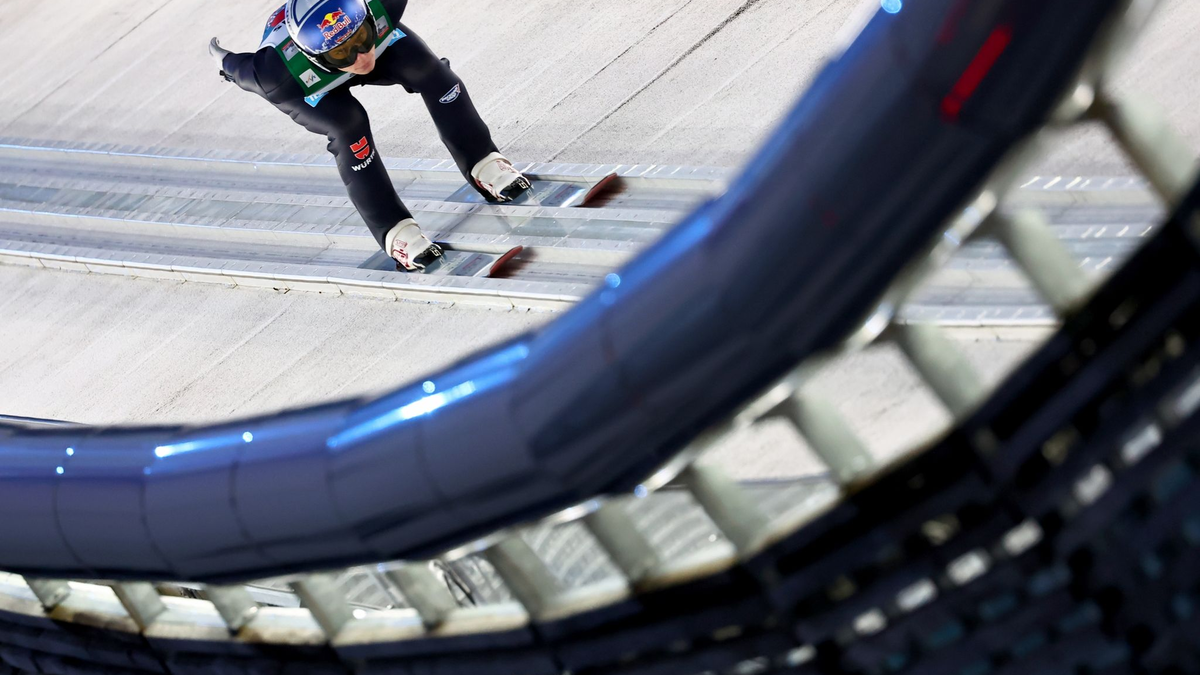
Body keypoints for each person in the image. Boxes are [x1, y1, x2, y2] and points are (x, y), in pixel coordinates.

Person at [208, 0, 531, 271]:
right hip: (310, 88)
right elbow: (237, 67)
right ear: (314, 56)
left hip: (373, 45)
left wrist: (354, 47)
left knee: (430, 72)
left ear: (366, 16)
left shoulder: (381, 7)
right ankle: (395, 232)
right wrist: (222, 59)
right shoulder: (276, 75)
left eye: (361, 38)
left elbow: (358, 50)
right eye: (343, 53)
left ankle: (483, 163)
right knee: (349, 125)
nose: (361, 58)